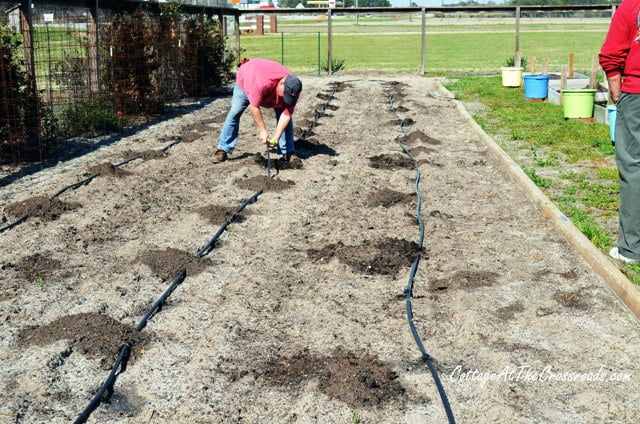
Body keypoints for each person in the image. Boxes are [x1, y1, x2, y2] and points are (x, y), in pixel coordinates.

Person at [599, 0, 640, 264]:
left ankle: (631, 249)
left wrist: (616, 88)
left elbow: (612, 53)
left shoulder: (632, 6)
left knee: (633, 167)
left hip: (636, 94)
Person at [214, 58, 302, 163]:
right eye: (285, 95)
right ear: (281, 83)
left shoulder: (293, 88)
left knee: (284, 114)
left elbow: (286, 115)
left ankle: (287, 151)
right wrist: (263, 131)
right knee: (235, 112)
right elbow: (254, 107)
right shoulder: (262, 82)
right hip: (246, 81)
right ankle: (223, 148)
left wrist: (276, 137)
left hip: (262, 83)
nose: (286, 98)